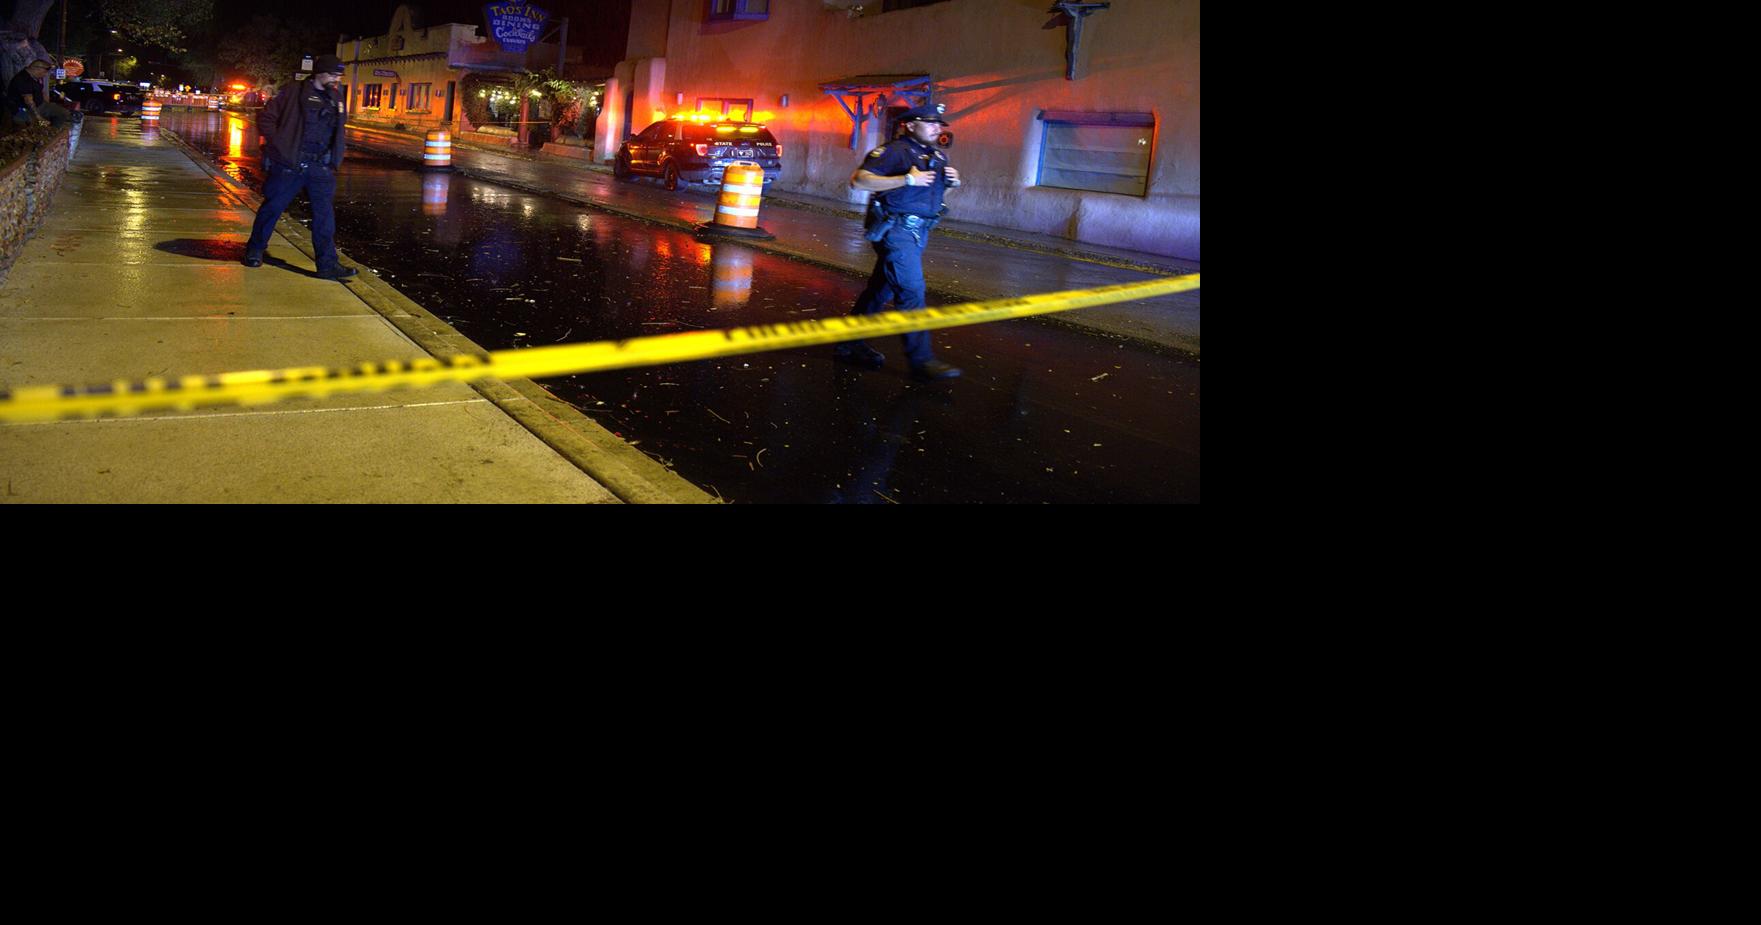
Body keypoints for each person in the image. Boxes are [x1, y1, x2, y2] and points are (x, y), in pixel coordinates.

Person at [837, 102, 963, 380]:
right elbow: (859, 181)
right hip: (896, 231)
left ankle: (848, 342)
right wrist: (906, 179)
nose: (937, 128)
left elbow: (933, 198)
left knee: (880, 291)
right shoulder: (894, 152)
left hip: (920, 232)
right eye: (930, 123)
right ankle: (921, 361)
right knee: (911, 289)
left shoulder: (938, 157)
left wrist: (950, 186)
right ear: (910, 125)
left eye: (939, 124)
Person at [242, 54, 355, 279]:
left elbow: (337, 130)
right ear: (319, 73)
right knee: (273, 208)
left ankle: (327, 265)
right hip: (290, 164)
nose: (336, 79)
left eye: (339, 75)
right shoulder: (294, 92)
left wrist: (334, 158)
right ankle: (255, 250)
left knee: (324, 217)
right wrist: (282, 146)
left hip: (321, 167)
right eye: (333, 74)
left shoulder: (336, 97)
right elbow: (265, 119)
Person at [7, 59, 74, 128]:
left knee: (63, 113)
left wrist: (47, 104)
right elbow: (29, 102)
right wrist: (39, 118)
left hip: (40, 105)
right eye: (44, 72)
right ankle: (45, 131)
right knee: (35, 124)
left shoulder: (36, 77)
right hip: (22, 110)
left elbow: (41, 92)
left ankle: (54, 130)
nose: (45, 75)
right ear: (36, 68)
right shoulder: (22, 79)